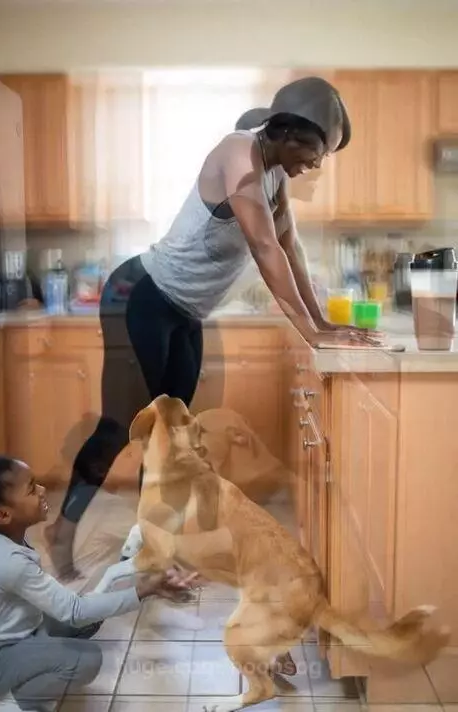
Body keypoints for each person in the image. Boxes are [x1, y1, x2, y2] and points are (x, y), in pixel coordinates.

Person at [45, 75, 379, 580]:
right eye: (316, 151)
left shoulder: (274, 176)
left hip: (184, 312)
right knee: (120, 427)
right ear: (289, 133)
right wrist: (311, 333)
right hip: (140, 295)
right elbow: (265, 247)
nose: (317, 164)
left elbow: (290, 248)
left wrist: (323, 322)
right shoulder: (237, 153)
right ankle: (62, 532)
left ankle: (151, 549)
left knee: (172, 438)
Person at [0, 455, 194, 712]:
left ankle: (25, 670)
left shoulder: (2, 541)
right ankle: (12, 701)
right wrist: (146, 588)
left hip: (16, 632)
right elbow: (74, 610)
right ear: (3, 514)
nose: (43, 490)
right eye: (32, 489)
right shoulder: (6, 560)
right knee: (86, 659)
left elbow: (74, 610)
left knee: (89, 621)